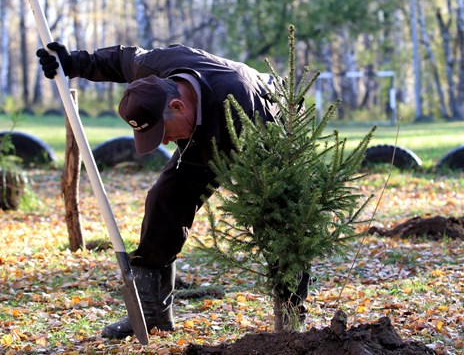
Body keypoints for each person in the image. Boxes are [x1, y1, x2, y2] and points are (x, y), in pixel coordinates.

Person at [36, 42, 310, 338]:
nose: (165, 143)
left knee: (274, 221)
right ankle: (151, 316)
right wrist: (71, 63)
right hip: (203, 130)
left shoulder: (240, 103)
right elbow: (118, 59)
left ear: (177, 106)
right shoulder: (153, 67)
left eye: (164, 133)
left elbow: (278, 205)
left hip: (267, 122)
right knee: (163, 202)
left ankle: (291, 319)